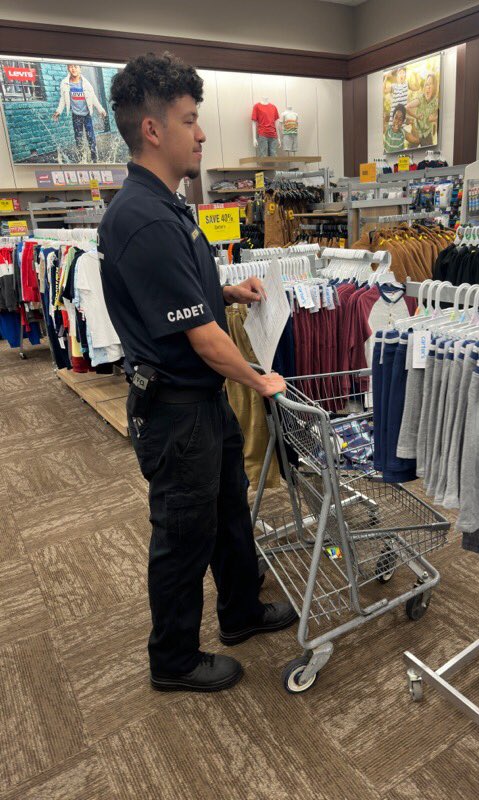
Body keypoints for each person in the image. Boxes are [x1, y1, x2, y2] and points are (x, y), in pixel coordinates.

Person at [98, 52, 296, 694]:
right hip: (176, 408)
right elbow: (204, 342)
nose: (203, 133)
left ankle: (240, 612)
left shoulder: (170, 205)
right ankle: (174, 660)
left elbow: (187, 297)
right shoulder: (143, 217)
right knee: (183, 536)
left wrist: (231, 292)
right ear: (153, 130)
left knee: (228, 515)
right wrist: (261, 380)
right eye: (190, 120)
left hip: (199, 403)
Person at [53, 64, 106, 163]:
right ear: (68, 68)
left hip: (87, 115)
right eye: (71, 67)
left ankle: (95, 159)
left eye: (76, 66)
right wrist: (58, 111)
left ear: (80, 69)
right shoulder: (65, 83)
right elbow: (63, 99)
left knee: (91, 137)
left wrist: (101, 109)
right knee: (78, 138)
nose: (73, 69)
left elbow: (93, 97)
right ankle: (82, 159)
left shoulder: (86, 83)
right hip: (76, 115)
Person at [406, 73, 439, 147]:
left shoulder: (436, 102)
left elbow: (437, 118)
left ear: (434, 87)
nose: (428, 87)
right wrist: (416, 116)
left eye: (431, 84)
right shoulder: (420, 98)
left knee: (430, 156)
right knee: (408, 157)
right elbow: (407, 107)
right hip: (416, 132)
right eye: (427, 84)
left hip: (427, 134)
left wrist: (434, 119)